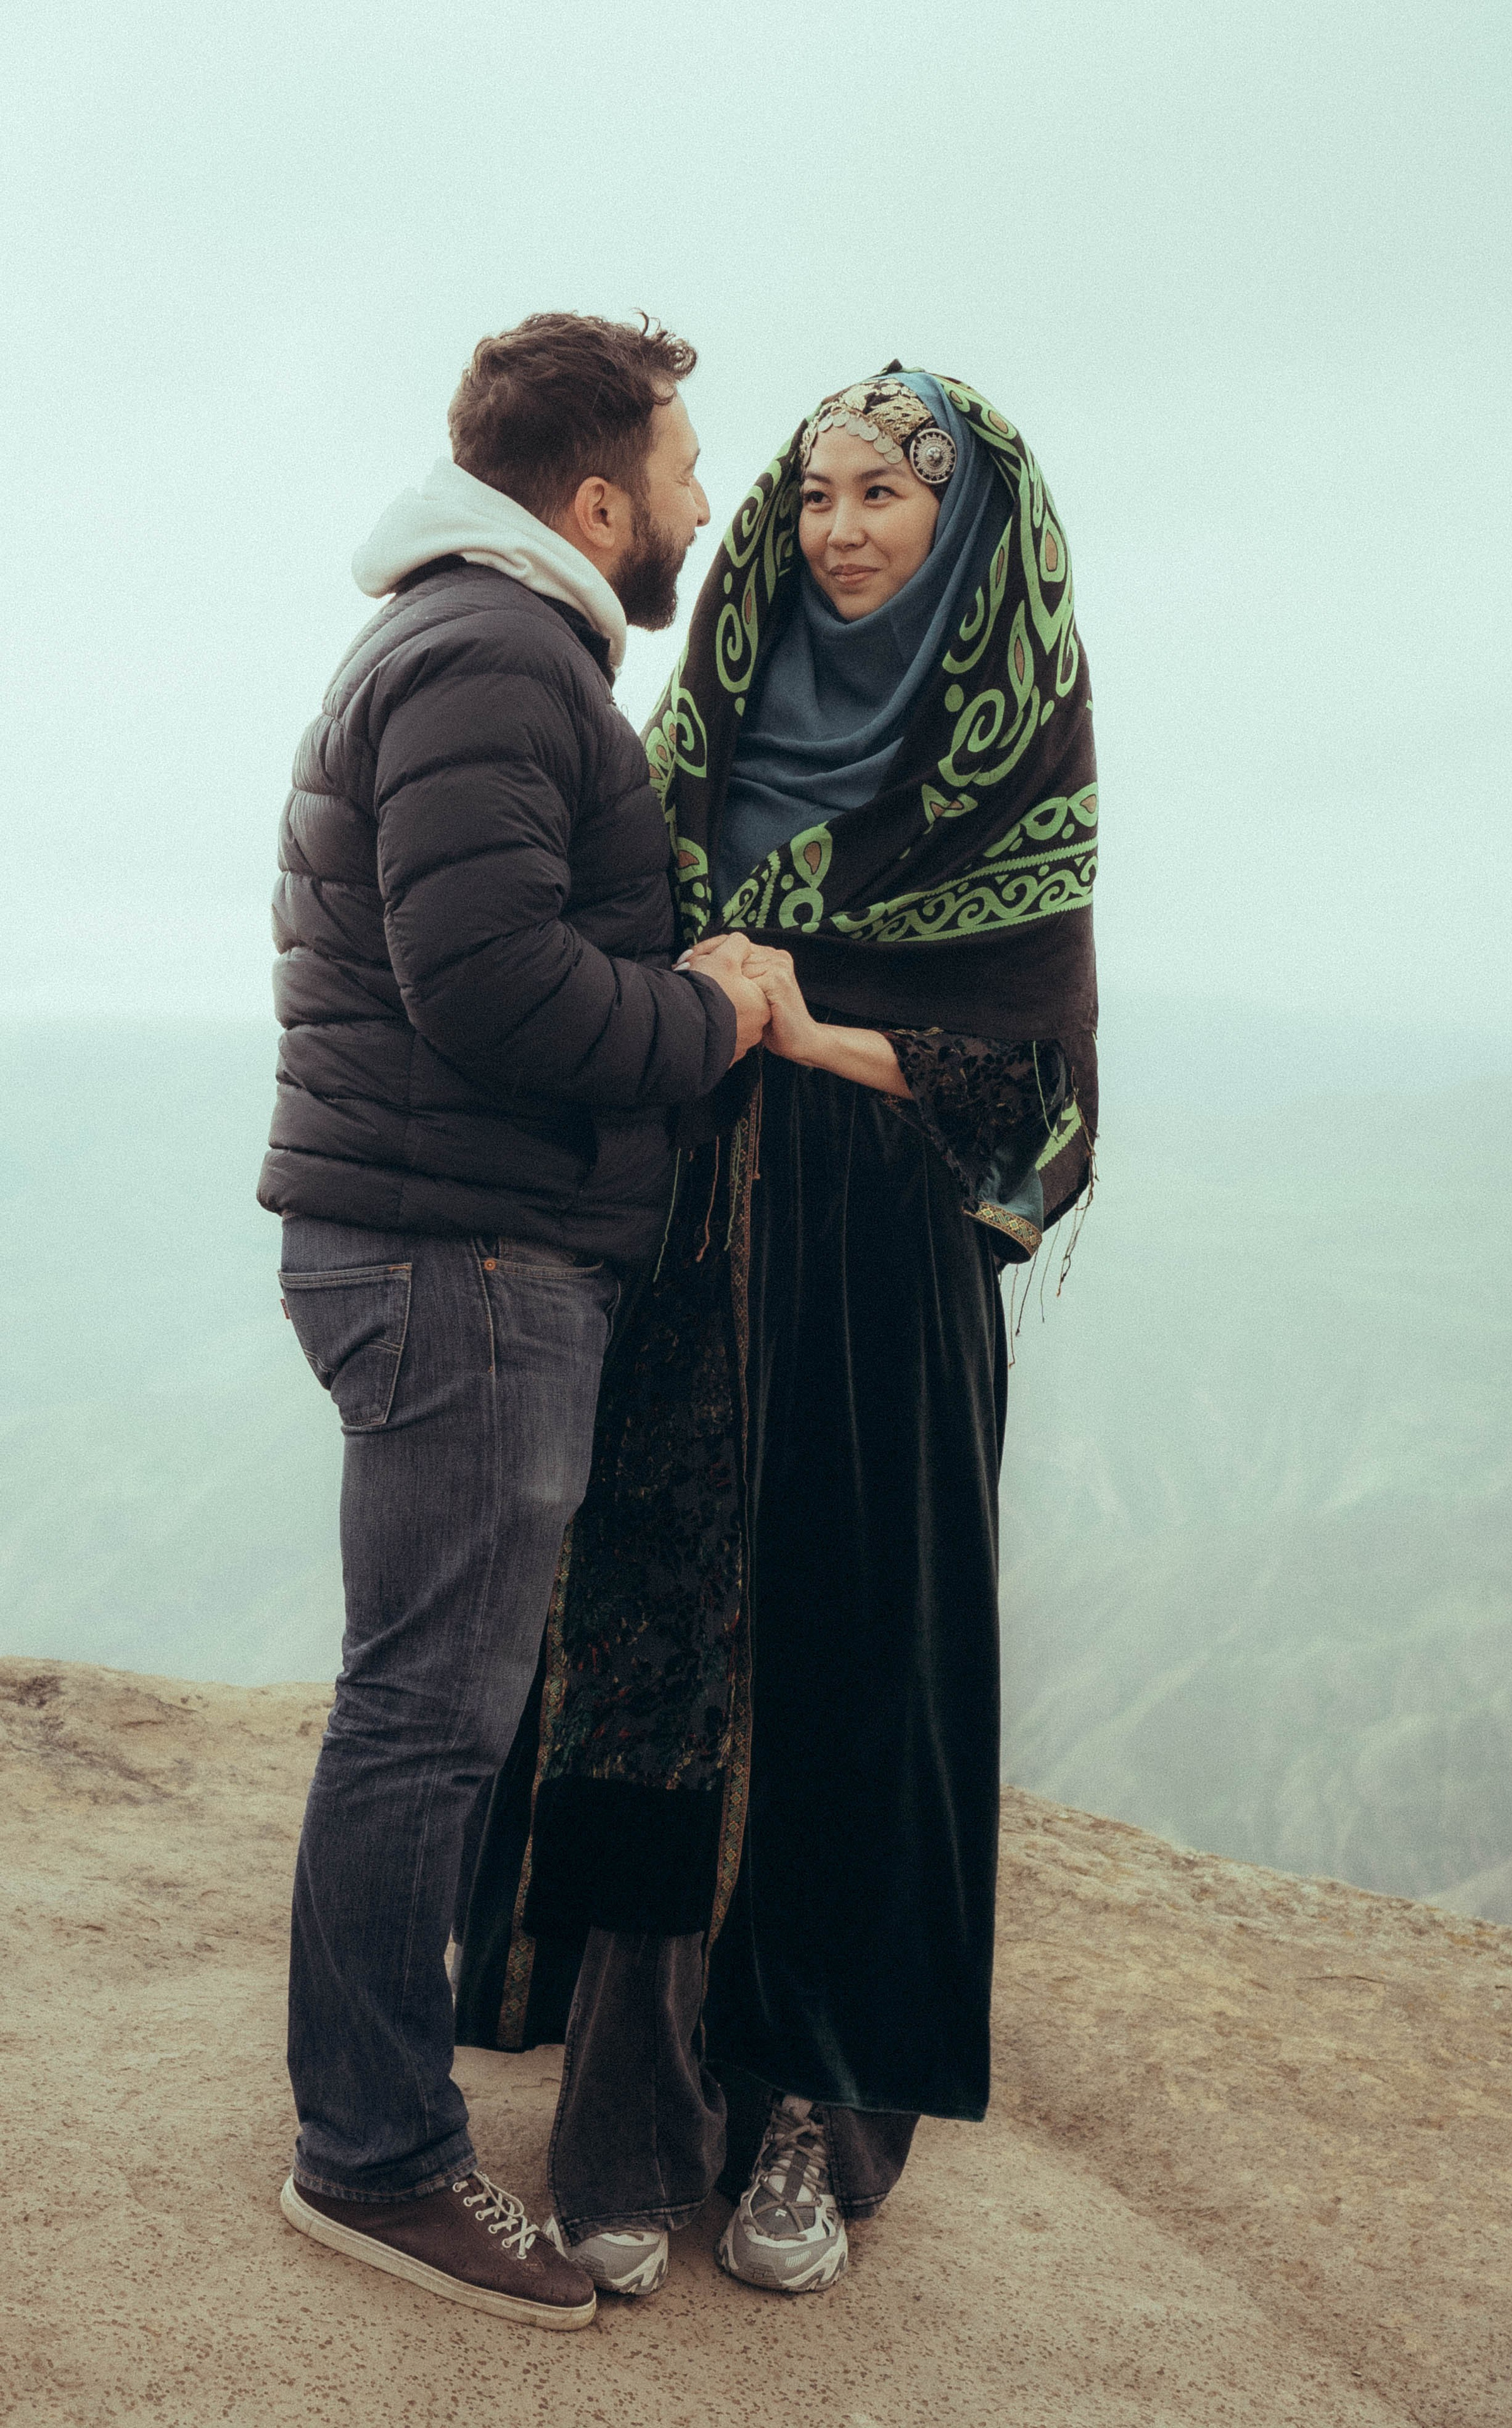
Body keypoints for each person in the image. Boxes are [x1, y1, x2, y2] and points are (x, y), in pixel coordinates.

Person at [456, 368, 1099, 2297]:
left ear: (965, 530)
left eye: (887, 494)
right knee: (650, 1664)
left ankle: (813, 2114)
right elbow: (594, 944)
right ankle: (628, 2115)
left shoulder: (1009, 759)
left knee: (846, 1672)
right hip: (678, 1261)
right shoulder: (706, 726)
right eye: (815, 492)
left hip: (880, 1293)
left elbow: (1039, 1085)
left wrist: (812, 1028)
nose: (838, 529)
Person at [259, 310, 770, 2330]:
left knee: (416, 1706)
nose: (707, 507)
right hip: (461, 1264)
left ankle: (368, 2123)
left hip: (445, 1250)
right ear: (601, 501)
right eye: (687, 472)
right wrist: (706, 1015)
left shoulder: (480, 641)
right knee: (423, 1718)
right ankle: (377, 2160)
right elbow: (484, 984)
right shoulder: (494, 655)